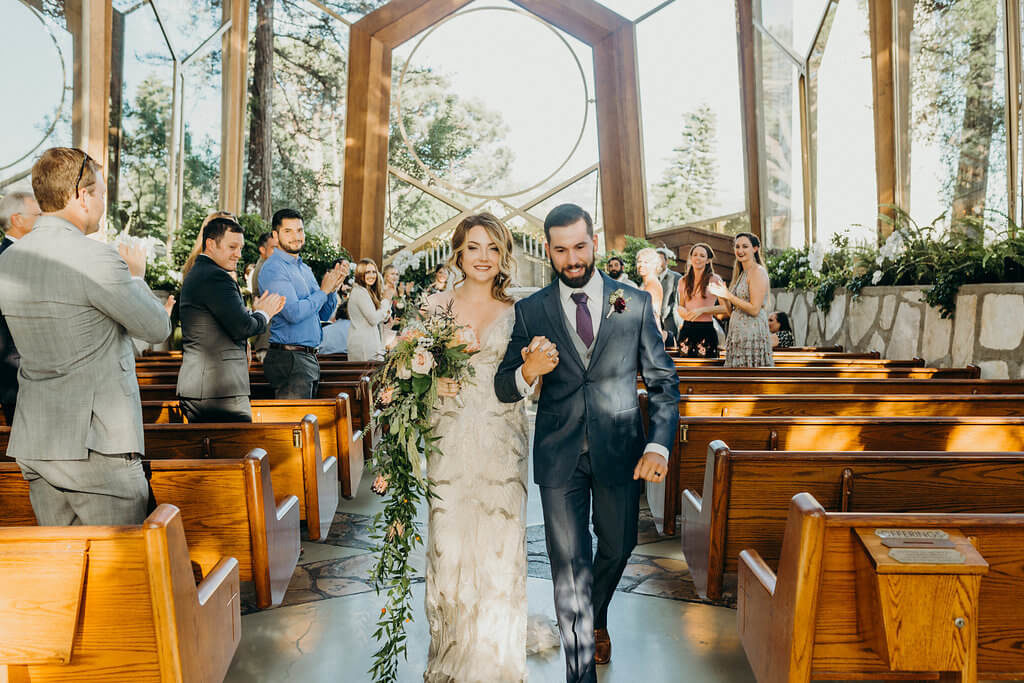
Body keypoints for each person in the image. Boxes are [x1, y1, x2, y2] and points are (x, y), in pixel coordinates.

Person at [495, 204, 679, 682]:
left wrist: (658, 445)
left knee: (618, 548)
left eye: (579, 247)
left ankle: (593, 617)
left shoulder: (633, 303)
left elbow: (663, 383)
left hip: (620, 452)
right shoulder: (530, 309)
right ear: (550, 251)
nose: (571, 259)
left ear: (593, 242)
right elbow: (501, 384)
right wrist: (526, 372)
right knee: (568, 571)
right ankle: (580, 675)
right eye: (560, 250)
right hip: (558, 458)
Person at [0, 147, 171, 525]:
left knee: (68, 571)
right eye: (102, 195)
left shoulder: (8, 260)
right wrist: (136, 276)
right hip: (97, 446)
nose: (103, 205)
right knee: (123, 575)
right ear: (82, 196)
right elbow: (157, 327)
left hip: (37, 438)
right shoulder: (96, 258)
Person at [422, 212, 558, 682]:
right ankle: (452, 651)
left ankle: (495, 656)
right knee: (451, 542)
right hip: (449, 438)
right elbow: (404, 376)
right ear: (458, 251)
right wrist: (428, 383)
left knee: (498, 545)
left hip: (502, 441)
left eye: (493, 248)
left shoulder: (520, 312)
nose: (483, 257)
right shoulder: (433, 306)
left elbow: (519, 386)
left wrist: (533, 371)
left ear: (504, 256)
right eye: (474, 246)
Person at [176, 215, 285, 422]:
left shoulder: (202, 272)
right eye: (232, 247)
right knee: (239, 449)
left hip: (207, 388)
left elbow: (228, 320)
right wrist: (264, 314)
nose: (238, 254)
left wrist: (255, 313)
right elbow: (242, 327)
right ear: (210, 244)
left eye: (241, 248)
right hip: (218, 389)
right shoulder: (214, 277)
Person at [258, 208, 345, 398]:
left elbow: (321, 315)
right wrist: (323, 291)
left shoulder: (304, 268)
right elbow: (294, 313)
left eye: (300, 230)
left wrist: (332, 289)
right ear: (276, 235)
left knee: (305, 424)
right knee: (295, 425)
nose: (296, 237)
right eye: (288, 231)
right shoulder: (274, 268)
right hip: (289, 358)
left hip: (307, 358)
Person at [0, 190, 41, 421]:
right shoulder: (9, 259)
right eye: (38, 214)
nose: (42, 220)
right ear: (17, 219)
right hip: (15, 372)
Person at [709, 232, 774, 367]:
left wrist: (729, 296)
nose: (740, 250)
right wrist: (722, 295)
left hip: (752, 332)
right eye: (737, 247)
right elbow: (730, 312)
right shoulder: (741, 273)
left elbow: (755, 309)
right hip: (737, 334)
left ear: (755, 249)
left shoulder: (757, 271)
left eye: (745, 246)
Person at [676, 243, 726, 358]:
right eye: (695, 255)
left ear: (708, 260)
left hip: (706, 329)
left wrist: (703, 310)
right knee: (686, 369)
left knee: (707, 369)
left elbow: (725, 308)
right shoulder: (683, 280)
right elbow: (681, 305)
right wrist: (681, 310)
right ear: (691, 258)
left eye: (702, 256)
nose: (698, 258)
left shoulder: (714, 279)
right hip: (687, 329)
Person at [346, 258, 391, 362]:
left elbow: (380, 316)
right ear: (360, 274)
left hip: (370, 344)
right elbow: (373, 319)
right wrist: (386, 301)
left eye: (374, 272)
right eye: (367, 272)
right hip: (364, 346)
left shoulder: (367, 291)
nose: (372, 275)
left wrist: (385, 311)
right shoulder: (360, 292)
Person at [250, 231, 279, 361]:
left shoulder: (267, 266)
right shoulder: (265, 270)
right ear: (262, 249)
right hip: (268, 340)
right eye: (274, 248)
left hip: (268, 340)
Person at [635, 247, 667, 342]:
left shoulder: (653, 285)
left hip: (650, 333)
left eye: (646, 262)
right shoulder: (645, 284)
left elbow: (650, 313)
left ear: (654, 265)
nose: (641, 265)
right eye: (639, 261)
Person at [656, 247, 681, 344]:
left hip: (671, 320)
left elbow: (678, 300)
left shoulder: (676, 277)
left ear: (666, 261)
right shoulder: (652, 278)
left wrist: (667, 310)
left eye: (660, 259)